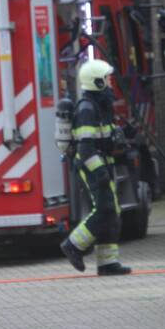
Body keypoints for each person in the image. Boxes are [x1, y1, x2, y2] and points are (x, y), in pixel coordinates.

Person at [60, 59, 132, 276]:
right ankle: (73, 245)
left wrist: (123, 136)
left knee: (112, 212)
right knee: (103, 210)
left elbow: (105, 136)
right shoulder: (87, 109)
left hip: (103, 164)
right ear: (97, 82)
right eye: (106, 79)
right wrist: (98, 171)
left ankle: (107, 263)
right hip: (92, 167)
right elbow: (86, 148)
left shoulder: (101, 106)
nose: (110, 83)